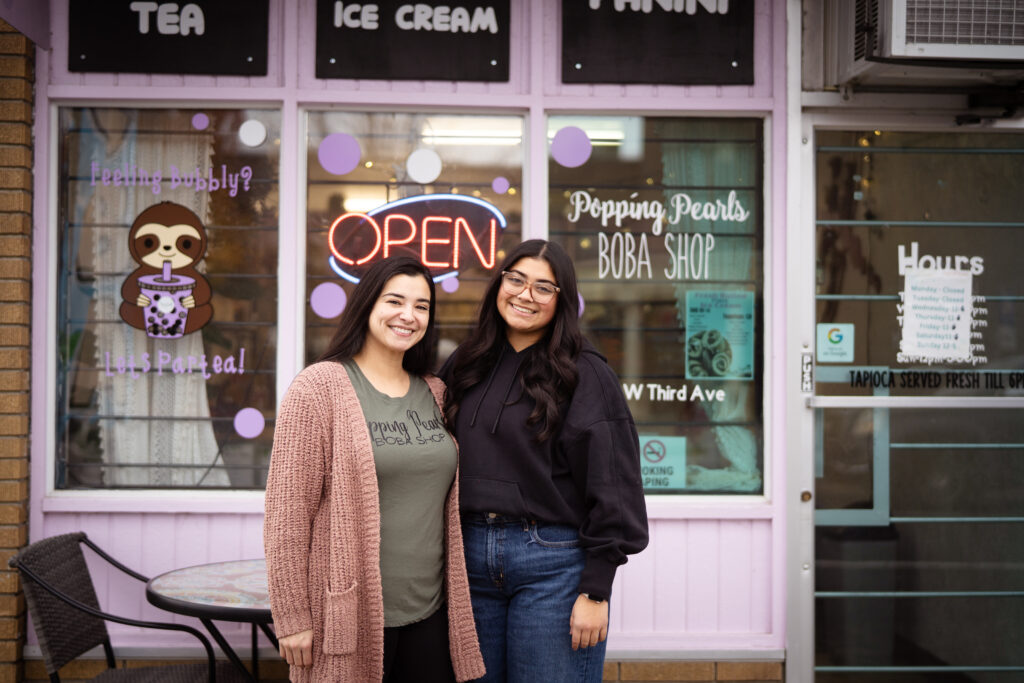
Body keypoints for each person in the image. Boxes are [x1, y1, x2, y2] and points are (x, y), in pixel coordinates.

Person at [264, 256, 486, 683]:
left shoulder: (435, 391)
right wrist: (292, 616)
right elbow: (287, 515)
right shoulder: (319, 388)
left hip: (432, 611)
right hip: (350, 614)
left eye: (422, 306)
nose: (409, 315)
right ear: (367, 305)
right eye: (395, 301)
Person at [440, 239, 649, 683]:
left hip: (552, 563)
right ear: (499, 283)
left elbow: (614, 482)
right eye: (515, 279)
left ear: (562, 301)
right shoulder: (466, 362)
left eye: (543, 287)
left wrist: (596, 589)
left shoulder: (585, 372)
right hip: (467, 558)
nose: (524, 294)